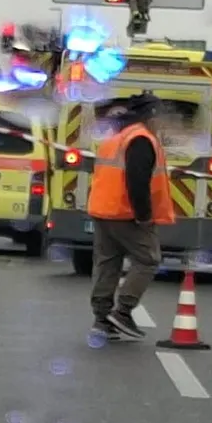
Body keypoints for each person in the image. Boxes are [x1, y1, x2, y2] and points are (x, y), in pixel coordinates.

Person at [87, 91, 175, 339]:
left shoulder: (117, 137)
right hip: (126, 212)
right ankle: (123, 311)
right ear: (151, 116)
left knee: (107, 264)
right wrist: (143, 215)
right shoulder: (141, 139)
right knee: (148, 259)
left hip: (104, 210)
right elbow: (137, 181)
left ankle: (102, 319)